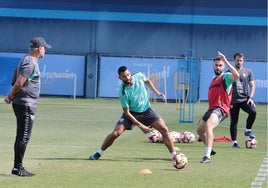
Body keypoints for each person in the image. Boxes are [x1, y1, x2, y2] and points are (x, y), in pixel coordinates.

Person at [89, 66, 177, 162]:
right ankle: (99, 153)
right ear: (120, 78)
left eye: (128, 75)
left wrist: (157, 92)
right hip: (132, 113)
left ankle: (174, 156)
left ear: (130, 73)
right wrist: (141, 126)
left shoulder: (139, 75)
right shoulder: (122, 91)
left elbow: (147, 81)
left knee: (164, 129)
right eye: (124, 76)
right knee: (115, 133)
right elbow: (126, 113)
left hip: (147, 110)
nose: (127, 78)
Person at [4, 37, 51, 177]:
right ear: (39, 48)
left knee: (21, 136)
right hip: (25, 104)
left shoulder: (25, 60)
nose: (45, 51)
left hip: (23, 103)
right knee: (24, 136)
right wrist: (10, 96)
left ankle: (17, 167)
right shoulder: (30, 62)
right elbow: (18, 83)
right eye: (44, 48)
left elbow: (14, 79)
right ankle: (17, 168)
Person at [197, 51, 239, 163]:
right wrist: (204, 116)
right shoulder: (213, 80)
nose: (218, 67)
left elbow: (236, 75)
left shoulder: (225, 77)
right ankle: (210, 149)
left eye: (220, 65)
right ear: (213, 65)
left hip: (221, 109)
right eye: (216, 65)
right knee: (200, 130)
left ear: (223, 66)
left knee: (209, 125)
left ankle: (207, 156)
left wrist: (226, 60)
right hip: (211, 109)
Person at [229, 52, 257, 148]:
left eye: (241, 60)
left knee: (253, 111)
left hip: (244, 99)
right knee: (234, 121)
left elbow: (252, 85)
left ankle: (248, 130)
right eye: (237, 60)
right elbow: (226, 88)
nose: (239, 62)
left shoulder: (248, 72)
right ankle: (234, 142)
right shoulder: (229, 72)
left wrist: (251, 97)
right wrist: (228, 101)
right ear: (234, 60)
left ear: (243, 61)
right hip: (233, 101)